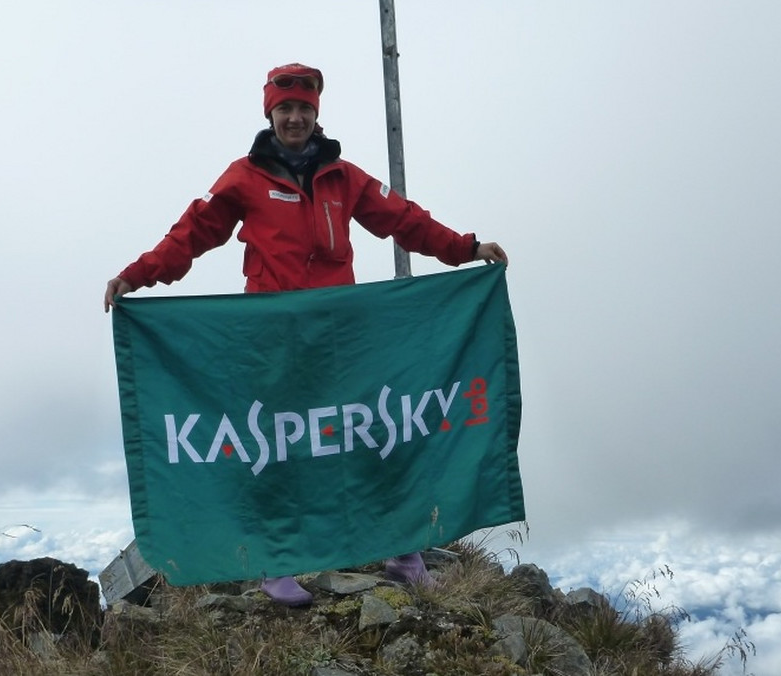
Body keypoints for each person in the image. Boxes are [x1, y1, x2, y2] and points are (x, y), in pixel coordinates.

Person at [104, 63, 509, 606]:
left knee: (377, 431)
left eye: (304, 108)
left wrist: (465, 248)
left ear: (316, 114)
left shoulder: (343, 177)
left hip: (344, 335)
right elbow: (194, 231)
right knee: (278, 444)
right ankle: (277, 565)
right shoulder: (244, 177)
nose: (294, 117)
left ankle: (405, 553)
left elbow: (402, 219)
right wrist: (138, 273)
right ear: (269, 112)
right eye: (284, 108)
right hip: (273, 339)